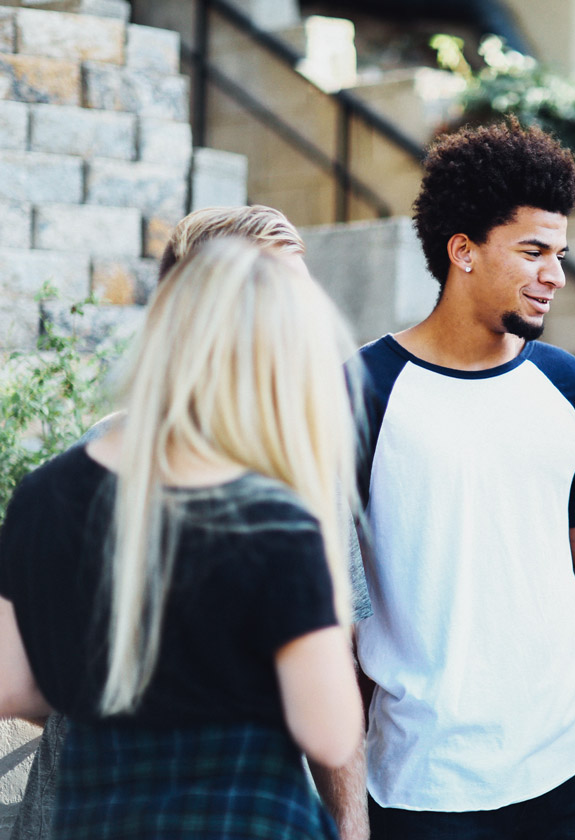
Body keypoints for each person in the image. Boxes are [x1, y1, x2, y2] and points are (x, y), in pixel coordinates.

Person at [6, 204, 376, 840]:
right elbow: (331, 723)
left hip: (88, 815)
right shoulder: (293, 489)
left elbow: (15, 687)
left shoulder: (57, 485)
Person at [338, 119, 575, 839]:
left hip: (564, 757)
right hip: (419, 772)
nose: (554, 276)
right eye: (533, 252)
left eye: (559, 255)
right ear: (462, 250)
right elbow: (325, 582)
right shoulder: (361, 389)